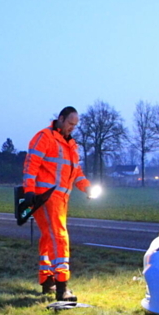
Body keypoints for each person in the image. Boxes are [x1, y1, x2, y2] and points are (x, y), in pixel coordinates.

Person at [22, 106, 96, 302]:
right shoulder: (44, 137)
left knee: (49, 238)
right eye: (70, 123)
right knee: (59, 237)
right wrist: (29, 191)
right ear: (61, 119)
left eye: (75, 125)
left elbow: (76, 173)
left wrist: (87, 187)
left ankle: (47, 281)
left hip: (59, 198)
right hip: (45, 197)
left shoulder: (71, 145)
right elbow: (31, 165)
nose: (73, 127)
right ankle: (62, 287)